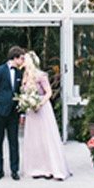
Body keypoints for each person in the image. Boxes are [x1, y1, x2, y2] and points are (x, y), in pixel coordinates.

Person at [20, 51, 72, 180]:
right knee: (34, 140)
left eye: (24, 60)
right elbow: (23, 92)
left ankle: (51, 168)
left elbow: (49, 93)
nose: (23, 62)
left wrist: (39, 103)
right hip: (31, 111)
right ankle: (37, 168)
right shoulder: (25, 76)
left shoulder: (41, 75)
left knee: (46, 138)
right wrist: (25, 102)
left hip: (42, 110)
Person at [0, 45, 25, 180]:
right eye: (21, 58)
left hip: (13, 113)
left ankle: (14, 170)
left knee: (14, 142)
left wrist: (22, 112)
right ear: (15, 58)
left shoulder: (20, 73)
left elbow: (20, 93)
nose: (23, 61)